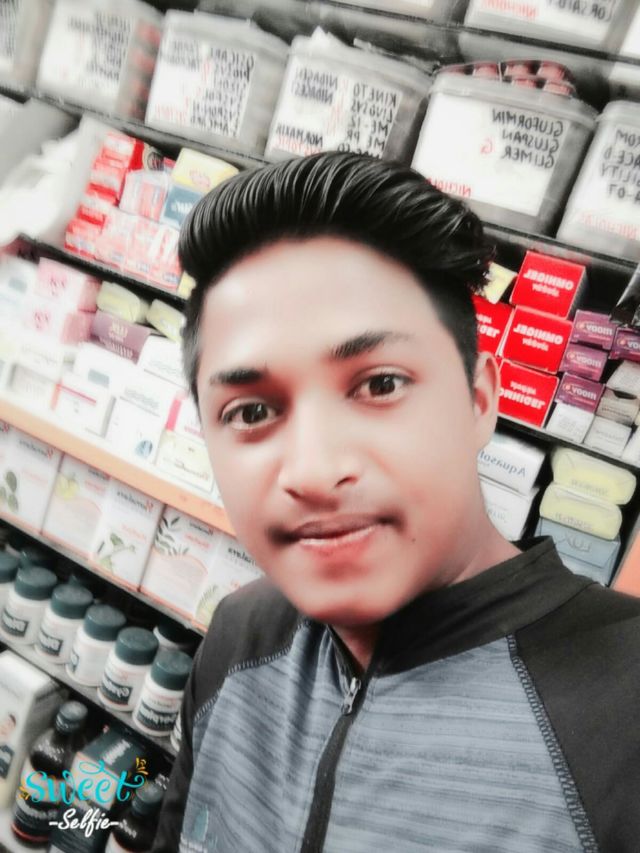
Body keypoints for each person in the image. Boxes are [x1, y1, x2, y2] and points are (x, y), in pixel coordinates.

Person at [153, 152, 640, 853]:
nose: (315, 471)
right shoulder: (238, 635)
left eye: (380, 384)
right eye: (252, 411)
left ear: (480, 398)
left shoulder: (624, 712)